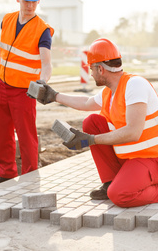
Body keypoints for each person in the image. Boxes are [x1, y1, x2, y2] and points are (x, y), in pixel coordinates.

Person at [36, 38, 158, 208]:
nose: (91, 73)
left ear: (100, 69)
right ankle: (111, 181)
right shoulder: (110, 92)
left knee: (120, 195)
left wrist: (91, 139)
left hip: (150, 159)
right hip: (129, 158)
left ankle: (125, 187)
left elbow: (133, 132)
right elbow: (86, 103)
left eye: (91, 68)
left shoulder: (134, 85)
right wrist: (54, 96)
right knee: (92, 122)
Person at [0, 0, 54, 186]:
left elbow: (47, 63)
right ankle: (7, 173)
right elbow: (0, 50)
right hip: (3, 85)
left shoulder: (42, 30)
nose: (29, 6)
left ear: (39, 1)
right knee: (3, 134)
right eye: (25, 1)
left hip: (25, 91)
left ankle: (30, 177)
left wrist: (42, 82)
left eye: (33, 1)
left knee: (27, 136)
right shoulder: (8, 19)